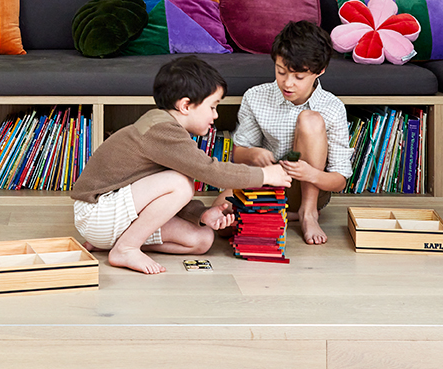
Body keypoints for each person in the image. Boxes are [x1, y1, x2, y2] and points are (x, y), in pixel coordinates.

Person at [70, 55, 290, 275]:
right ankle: (126, 248)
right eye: (212, 107)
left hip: (112, 220)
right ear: (185, 105)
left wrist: (201, 214)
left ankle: (116, 242)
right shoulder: (162, 130)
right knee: (181, 183)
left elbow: (159, 196)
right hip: (96, 212)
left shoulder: (169, 130)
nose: (215, 115)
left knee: (202, 240)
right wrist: (265, 175)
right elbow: (211, 171)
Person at [219, 20, 353, 245]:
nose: (287, 83)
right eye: (281, 72)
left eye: (299, 77)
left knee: (310, 119)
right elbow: (237, 154)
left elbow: (339, 181)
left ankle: (307, 213)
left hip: (307, 189)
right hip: (264, 182)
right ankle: (281, 213)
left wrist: (309, 173)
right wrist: (253, 155)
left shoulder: (332, 107)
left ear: (319, 71)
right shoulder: (256, 96)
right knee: (222, 222)